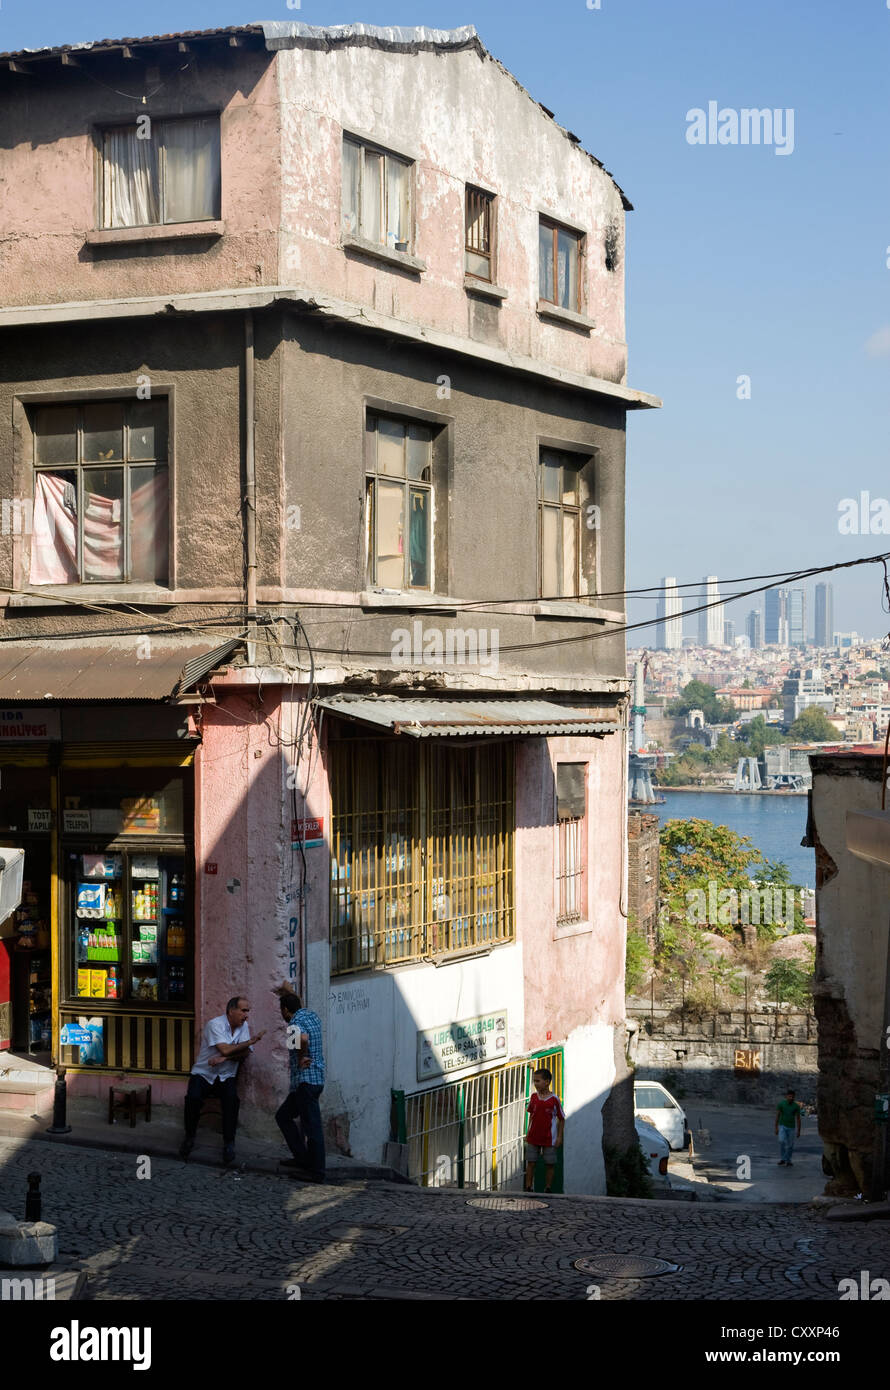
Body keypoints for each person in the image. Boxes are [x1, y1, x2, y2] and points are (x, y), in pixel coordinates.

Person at [179, 996, 266, 1165]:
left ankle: (229, 1143)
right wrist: (250, 1042)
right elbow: (225, 1049)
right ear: (231, 1011)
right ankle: (189, 1136)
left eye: (248, 1011)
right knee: (193, 1098)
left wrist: (225, 1059)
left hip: (226, 1075)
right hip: (204, 1073)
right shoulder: (215, 1025)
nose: (246, 1015)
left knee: (231, 1102)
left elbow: (245, 1053)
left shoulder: (244, 1026)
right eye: (243, 1010)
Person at [273, 983, 326, 1183]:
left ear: (286, 1010)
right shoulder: (310, 1015)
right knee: (283, 1116)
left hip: (306, 1082)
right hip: (311, 1081)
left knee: (312, 1127)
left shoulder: (293, 1024)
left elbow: (302, 1039)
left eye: (282, 1010)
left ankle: (317, 1171)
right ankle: (302, 1159)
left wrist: (302, 1057)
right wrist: (289, 993)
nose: (282, 1014)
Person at [524, 1067, 565, 1194]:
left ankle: (547, 1188)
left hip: (549, 1138)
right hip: (533, 1136)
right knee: (531, 1162)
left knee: (550, 1164)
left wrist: (559, 1137)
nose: (535, 1084)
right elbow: (531, 1115)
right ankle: (528, 1187)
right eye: (534, 1081)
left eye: (538, 1081)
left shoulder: (554, 1099)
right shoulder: (534, 1097)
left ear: (547, 1082)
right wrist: (527, 1132)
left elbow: (561, 1118)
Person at [776, 1088, 802, 1166]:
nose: (791, 1098)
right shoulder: (781, 1104)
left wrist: (799, 1131)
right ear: (786, 1096)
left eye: (792, 1097)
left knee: (790, 1145)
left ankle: (788, 1160)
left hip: (791, 1127)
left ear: (794, 1097)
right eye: (789, 1096)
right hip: (782, 1126)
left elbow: (798, 1118)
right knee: (781, 1141)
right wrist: (776, 1127)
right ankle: (783, 1159)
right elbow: (778, 1115)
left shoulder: (796, 1106)